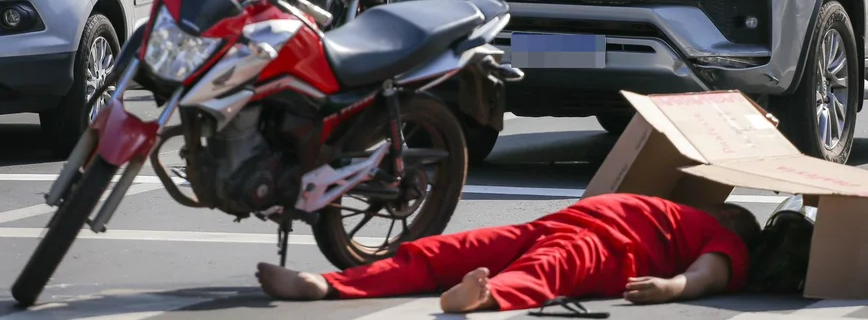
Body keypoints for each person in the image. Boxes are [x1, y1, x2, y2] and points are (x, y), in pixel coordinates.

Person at [255, 193, 762, 313]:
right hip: (556, 223)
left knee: (544, 273)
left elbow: (710, 276)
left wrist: (672, 287)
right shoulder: (680, 210)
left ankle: (482, 297)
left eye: (732, 209)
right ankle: (327, 284)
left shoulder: (726, 238)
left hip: (606, 247)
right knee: (442, 250)